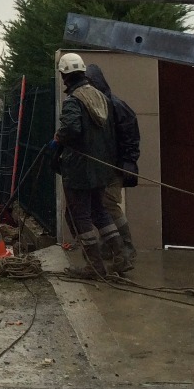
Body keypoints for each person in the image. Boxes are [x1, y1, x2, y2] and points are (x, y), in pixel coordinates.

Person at [49, 53, 130, 278]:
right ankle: (121, 255)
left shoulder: (74, 100)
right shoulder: (99, 96)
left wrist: (58, 139)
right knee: (99, 211)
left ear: (65, 75)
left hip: (79, 169)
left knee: (80, 215)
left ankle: (93, 265)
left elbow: (72, 129)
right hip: (101, 166)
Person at [84, 61, 141, 270]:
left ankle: (126, 247)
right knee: (100, 205)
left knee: (108, 204)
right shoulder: (99, 105)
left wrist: (127, 163)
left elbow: (131, 138)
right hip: (102, 166)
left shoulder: (116, 106)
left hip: (114, 166)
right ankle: (110, 246)